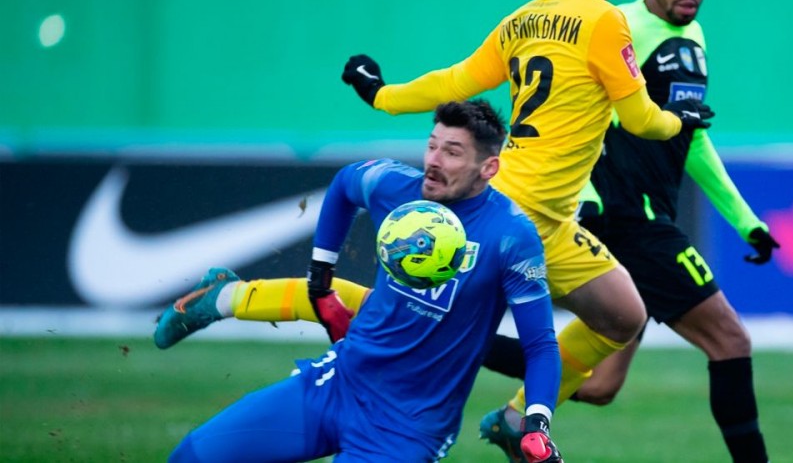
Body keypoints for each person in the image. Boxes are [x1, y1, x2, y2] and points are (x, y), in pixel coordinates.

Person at [339, 0, 714, 459]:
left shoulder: (520, 21)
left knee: (623, 316)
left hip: (549, 218)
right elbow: (640, 119)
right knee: (407, 317)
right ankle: (249, 297)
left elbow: (455, 81)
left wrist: (381, 95)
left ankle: (518, 419)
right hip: (510, 216)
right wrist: (679, 120)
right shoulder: (604, 20)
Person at [481, 0, 779, 463]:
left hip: (645, 215)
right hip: (627, 219)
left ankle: (501, 403)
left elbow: (692, 138)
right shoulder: (617, 26)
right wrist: (588, 197)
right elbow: (581, 115)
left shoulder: (693, 38)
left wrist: (745, 221)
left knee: (599, 385)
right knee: (729, 340)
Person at [159, 100, 564, 463]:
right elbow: (344, 183)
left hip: (406, 429)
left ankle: (225, 297)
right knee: (191, 456)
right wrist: (320, 279)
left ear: (488, 168)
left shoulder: (512, 237)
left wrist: (537, 423)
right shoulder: (396, 188)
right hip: (338, 383)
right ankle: (223, 297)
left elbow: (541, 345)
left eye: (452, 152)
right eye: (432, 145)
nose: (434, 160)